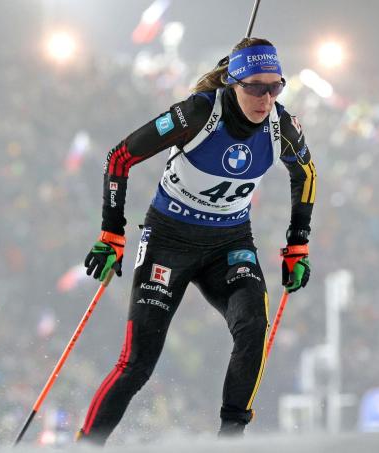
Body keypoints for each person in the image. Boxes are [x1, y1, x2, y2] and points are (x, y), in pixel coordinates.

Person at [76, 37, 316, 444]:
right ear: (234, 83)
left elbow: (306, 175)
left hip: (229, 245)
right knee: (137, 364)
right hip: (169, 241)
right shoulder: (197, 113)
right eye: (256, 87)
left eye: (275, 87)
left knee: (253, 325)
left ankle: (230, 439)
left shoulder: (283, 127)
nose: (266, 98)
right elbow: (119, 157)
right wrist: (111, 232)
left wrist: (297, 246)